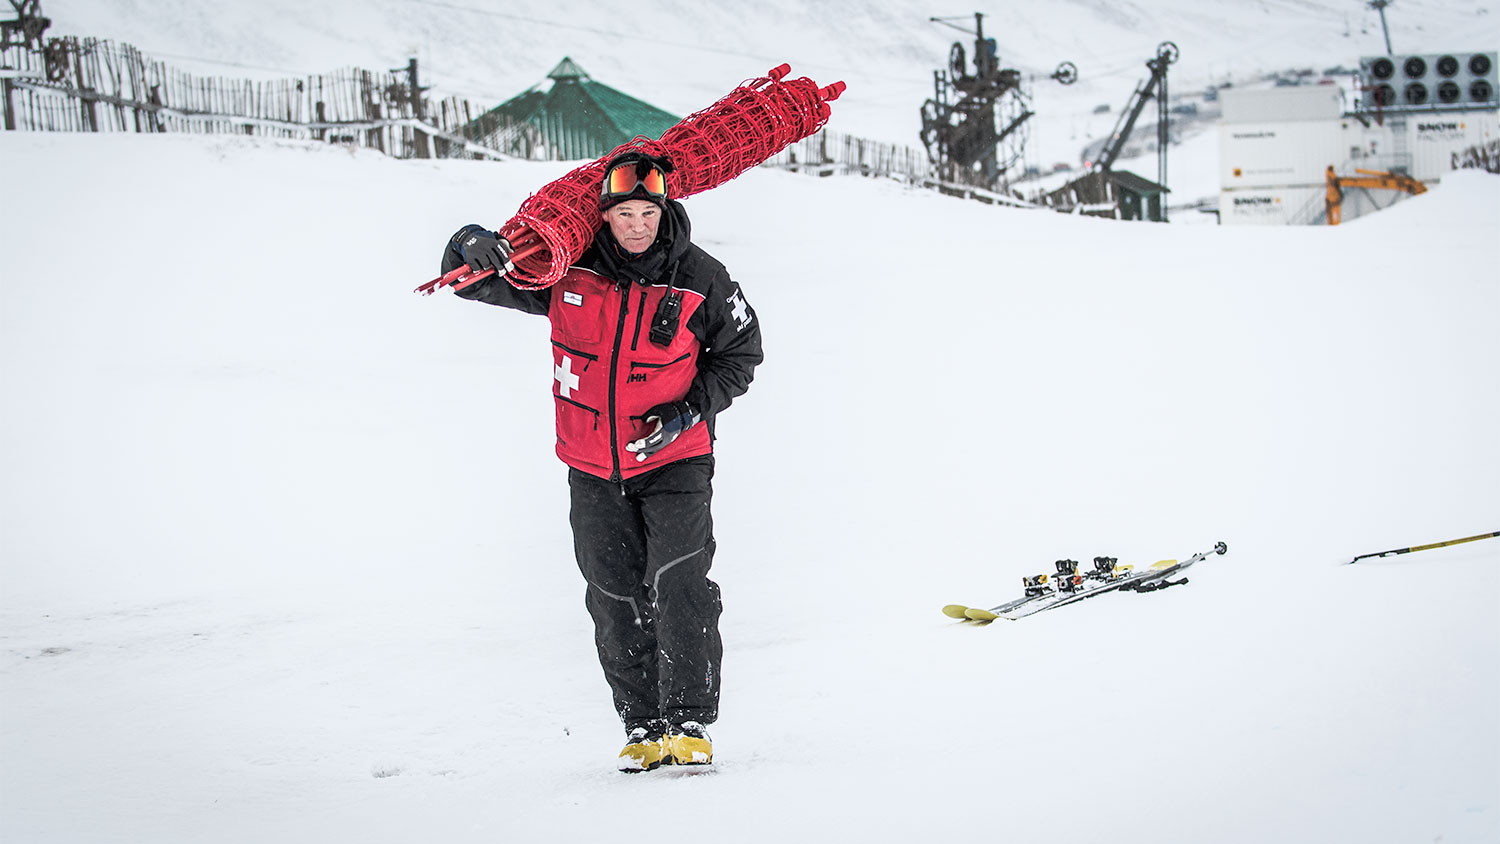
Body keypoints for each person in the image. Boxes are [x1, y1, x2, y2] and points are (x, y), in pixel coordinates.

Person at [438, 151, 762, 772]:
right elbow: (477, 283)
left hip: (675, 460)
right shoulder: (566, 269)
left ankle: (688, 720)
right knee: (612, 594)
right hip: (590, 465)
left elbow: (741, 355)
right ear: (604, 214)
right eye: (624, 213)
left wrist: (690, 411)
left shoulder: (703, 277)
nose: (637, 225)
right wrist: (466, 241)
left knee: (681, 585)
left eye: (648, 211)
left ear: (664, 209)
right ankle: (642, 726)